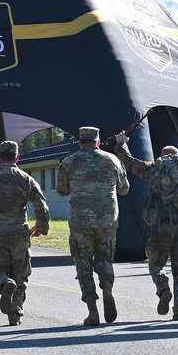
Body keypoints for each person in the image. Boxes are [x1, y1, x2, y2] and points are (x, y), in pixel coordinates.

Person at [115, 131, 178, 321]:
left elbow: (129, 162)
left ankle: (163, 287)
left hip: (161, 225)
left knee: (156, 263)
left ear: (164, 157)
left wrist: (121, 143)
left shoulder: (155, 169)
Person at [0, 140, 50, 326]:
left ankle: (4, 283)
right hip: (20, 231)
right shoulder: (25, 179)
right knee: (20, 273)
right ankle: (16, 312)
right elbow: (42, 207)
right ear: (17, 157)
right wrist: (41, 227)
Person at [56, 126, 130, 326]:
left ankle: (92, 310)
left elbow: (62, 191)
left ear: (80, 142)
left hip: (81, 222)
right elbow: (124, 189)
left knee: (83, 264)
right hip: (107, 221)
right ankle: (107, 289)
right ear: (97, 141)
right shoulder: (113, 160)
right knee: (105, 258)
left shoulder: (69, 162)